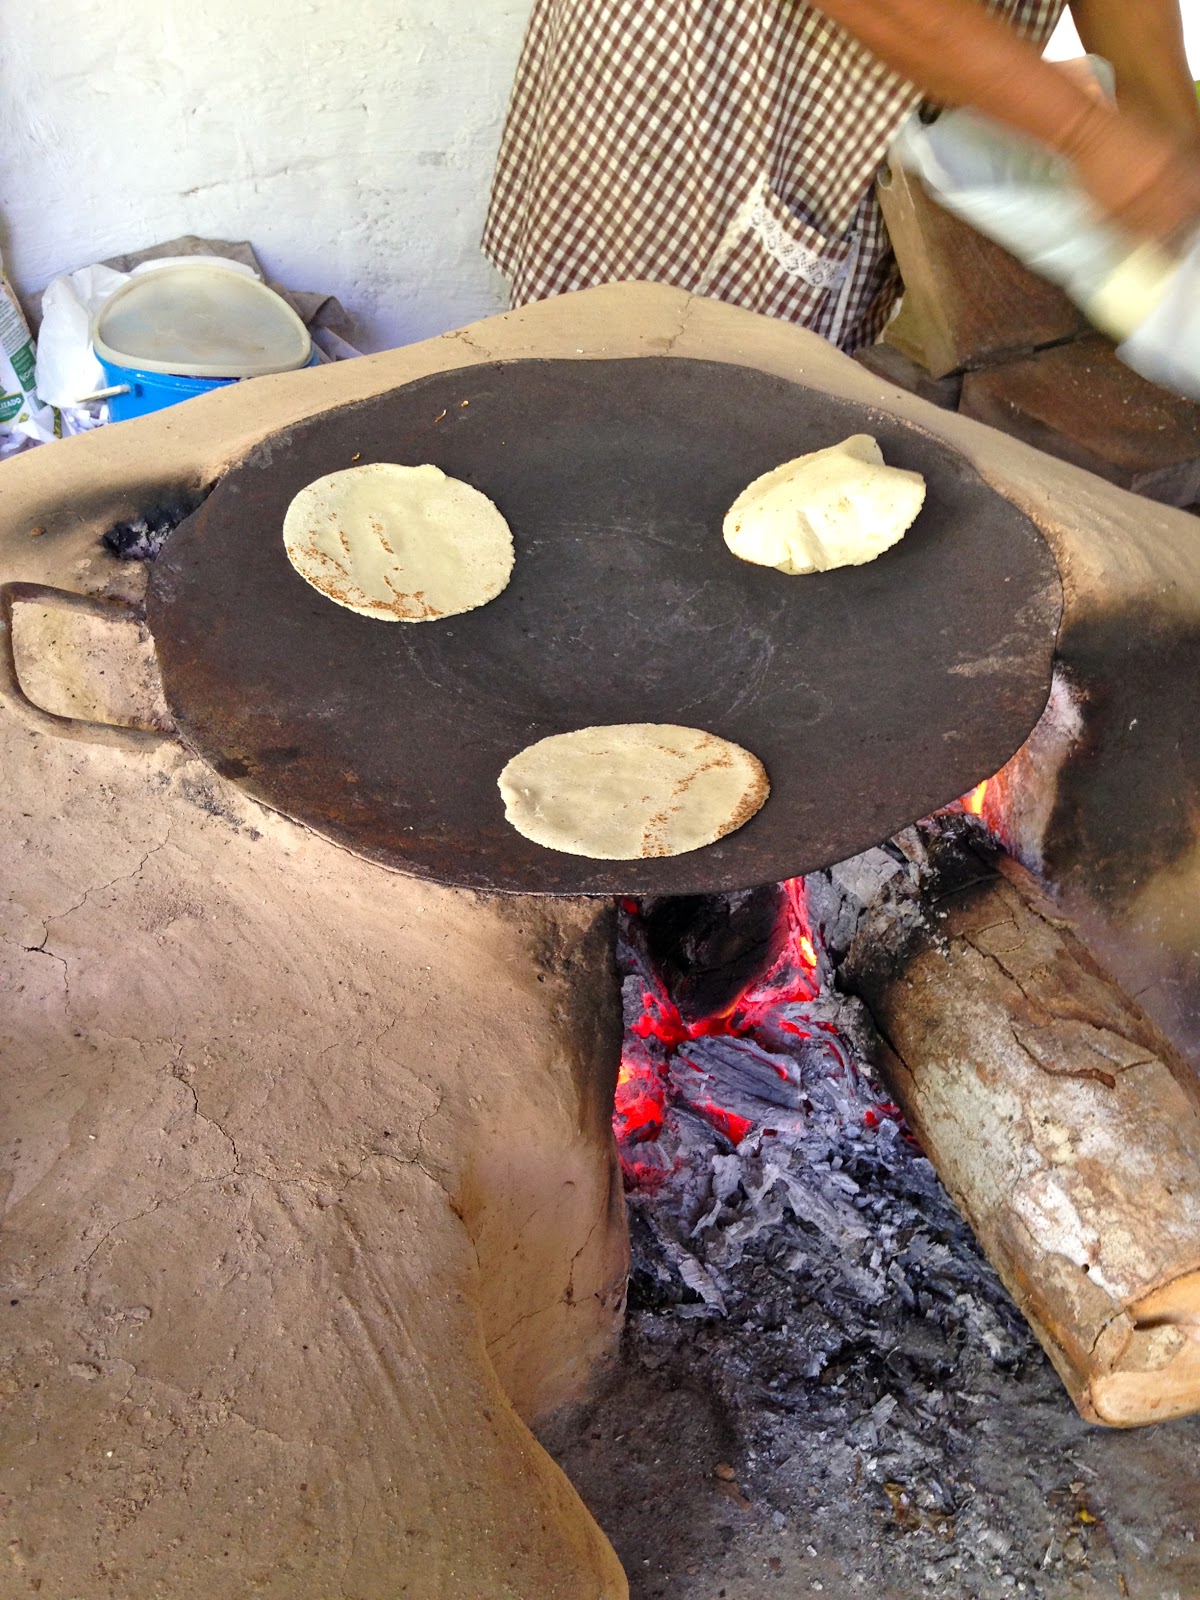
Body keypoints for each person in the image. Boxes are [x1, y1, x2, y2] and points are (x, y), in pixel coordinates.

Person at [483, 0, 1200, 352]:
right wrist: (1085, 135)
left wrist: (1170, 127)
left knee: (777, 423)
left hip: (878, 82)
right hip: (715, 75)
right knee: (631, 392)